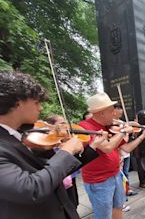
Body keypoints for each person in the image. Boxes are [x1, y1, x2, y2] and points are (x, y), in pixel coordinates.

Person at [0, 71, 106, 219]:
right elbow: (31, 189)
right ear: (18, 103)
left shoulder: (18, 136)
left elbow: (53, 174)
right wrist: (66, 152)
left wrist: (93, 148)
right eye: (36, 102)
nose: (40, 109)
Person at [79, 92, 145, 219]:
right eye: (111, 111)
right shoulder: (85, 127)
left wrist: (143, 135)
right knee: (104, 215)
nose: (114, 114)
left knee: (118, 206)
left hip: (115, 174)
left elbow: (126, 148)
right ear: (101, 112)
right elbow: (107, 147)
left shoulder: (109, 127)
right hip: (99, 181)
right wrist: (123, 131)